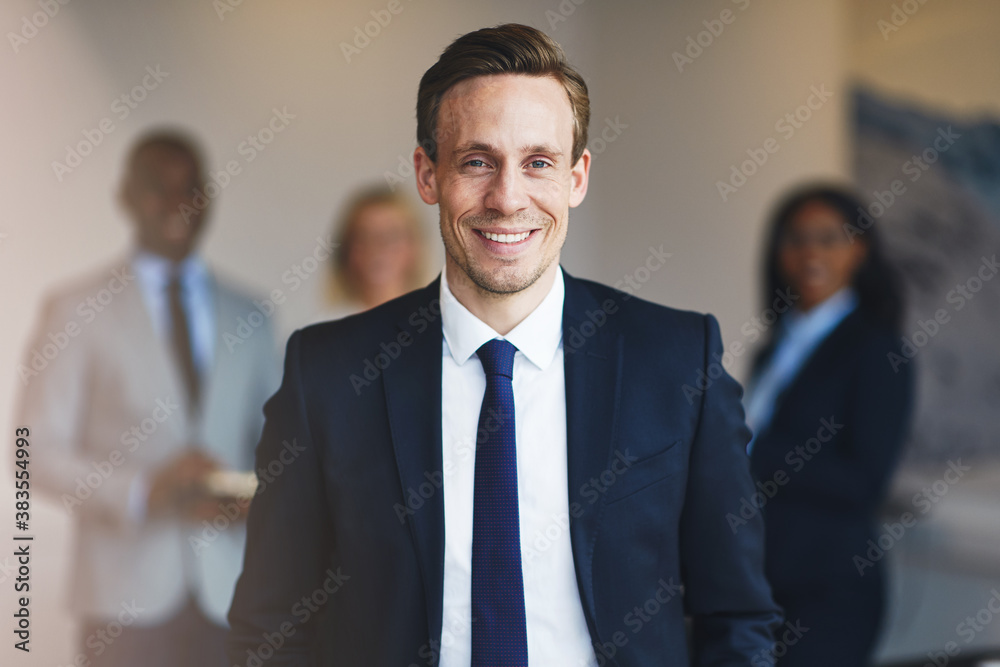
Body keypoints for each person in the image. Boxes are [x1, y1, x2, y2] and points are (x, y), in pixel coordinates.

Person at [228, 24, 780, 666]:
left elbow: (737, 617)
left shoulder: (679, 359)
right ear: (427, 174)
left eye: (538, 162)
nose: (508, 198)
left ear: (577, 177)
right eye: (476, 161)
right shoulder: (326, 374)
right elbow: (270, 629)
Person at [17, 130, 280, 667]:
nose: (178, 203)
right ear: (126, 197)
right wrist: (142, 491)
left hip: (229, 597)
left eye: (192, 188)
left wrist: (262, 495)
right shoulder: (75, 309)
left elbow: (278, 444)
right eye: (159, 187)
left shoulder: (252, 315)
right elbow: (33, 452)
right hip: (122, 604)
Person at [744, 184, 915, 666]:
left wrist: (754, 449)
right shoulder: (774, 346)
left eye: (828, 238)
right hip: (758, 582)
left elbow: (864, 481)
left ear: (859, 249)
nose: (810, 252)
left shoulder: (877, 349)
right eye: (796, 239)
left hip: (828, 588)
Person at [322, 185, 428, 319]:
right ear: (347, 251)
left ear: (414, 246)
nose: (378, 247)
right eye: (364, 236)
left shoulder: (438, 323)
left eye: (392, 235)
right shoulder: (321, 332)